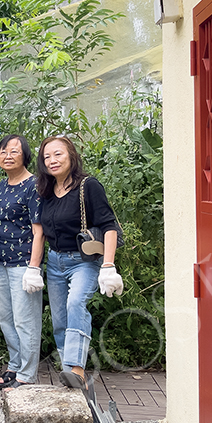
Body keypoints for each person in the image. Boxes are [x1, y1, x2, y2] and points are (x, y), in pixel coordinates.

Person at [37, 135, 124, 389]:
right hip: (55, 261)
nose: (52, 160)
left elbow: (109, 226)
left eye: (58, 154)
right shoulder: (47, 191)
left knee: (76, 304)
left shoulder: (88, 186)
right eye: (47, 157)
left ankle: (77, 369)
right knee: (60, 320)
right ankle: (71, 377)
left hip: (82, 261)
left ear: (71, 156)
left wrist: (108, 266)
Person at [0, 135, 44, 390]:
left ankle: (26, 374)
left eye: (14, 151)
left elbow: (39, 231)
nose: (8, 156)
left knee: (26, 320)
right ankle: (15, 364)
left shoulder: (33, 185)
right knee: (7, 319)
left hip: (23, 262)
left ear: (25, 156)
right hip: (0, 261)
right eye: (3, 151)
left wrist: (34, 268)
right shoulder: (3, 185)